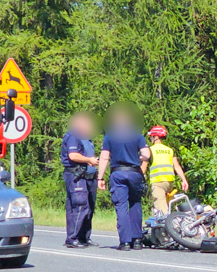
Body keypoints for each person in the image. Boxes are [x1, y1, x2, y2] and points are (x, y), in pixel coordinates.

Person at [97, 104, 151, 251]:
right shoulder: (137, 135)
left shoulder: (110, 136)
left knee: (121, 206)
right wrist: (137, 156)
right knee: (135, 204)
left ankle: (125, 242)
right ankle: (137, 240)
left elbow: (104, 158)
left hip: (118, 173)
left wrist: (100, 178)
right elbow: (147, 154)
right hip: (134, 173)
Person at [60, 112, 99, 249]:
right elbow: (73, 155)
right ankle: (72, 238)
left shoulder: (86, 138)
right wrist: (89, 160)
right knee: (80, 205)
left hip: (89, 176)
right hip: (76, 175)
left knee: (89, 206)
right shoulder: (73, 135)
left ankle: (84, 237)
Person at [140, 125, 188, 215]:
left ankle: (168, 226)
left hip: (158, 183)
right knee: (167, 206)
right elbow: (177, 166)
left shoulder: (150, 150)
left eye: (151, 137)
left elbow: (143, 167)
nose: (150, 139)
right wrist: (184, 180)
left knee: (162, 211)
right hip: (169, 183)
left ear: (156, 137)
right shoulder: (169, 150)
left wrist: (136, 178)